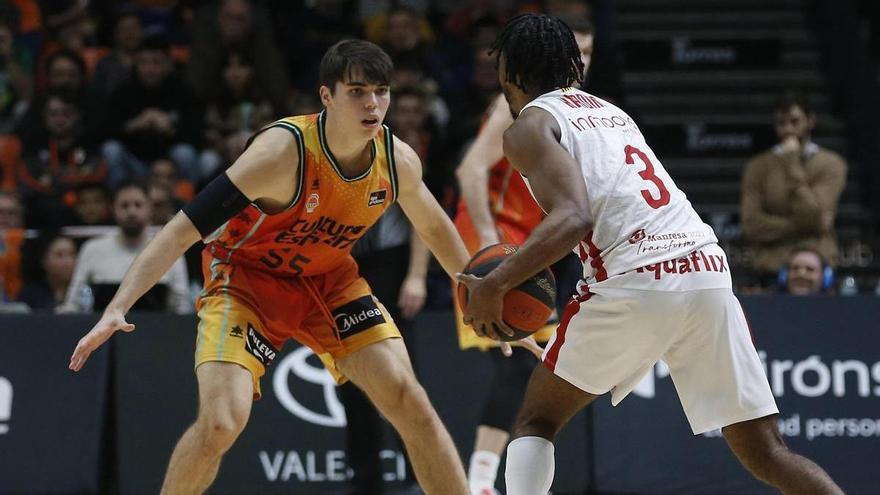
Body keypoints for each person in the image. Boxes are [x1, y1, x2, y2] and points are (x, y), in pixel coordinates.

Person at [457, 14, 844, 495]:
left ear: (510, 75)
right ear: (572, 67)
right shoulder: (612, 112)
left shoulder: (528, 126)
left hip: (636, 277)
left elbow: (572, 217)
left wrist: (495, 284)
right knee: (768, 452)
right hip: (705, 269)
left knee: (537, 419)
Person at [68, 40, 473, 494]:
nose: (372, 103)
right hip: (246, 280)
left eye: (381, 91)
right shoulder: (282, 153)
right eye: (357, 91)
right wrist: (118, 306)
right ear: (327, 96)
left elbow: (437, 230)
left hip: (328, 281)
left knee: (410, 400)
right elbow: (182, 230)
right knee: (222, 423)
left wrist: (482, 304)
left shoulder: (397, 161)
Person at [453, 13, 593, 495]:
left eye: (590, 54)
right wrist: (490, 246)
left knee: (539, 364)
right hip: (503, 247)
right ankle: (480, 482)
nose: (583, 63)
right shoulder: (513, 108)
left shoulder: (582, 110)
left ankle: (499, 479)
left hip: (541, 247)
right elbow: (471, 171)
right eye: (579, 53)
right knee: (517, 363)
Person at [741, 91, 847, 286]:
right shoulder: (757, 167)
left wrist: (791, 163)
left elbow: (812, 213)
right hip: (770, 270)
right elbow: (751, 224)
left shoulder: (832, 164)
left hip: (819, 270)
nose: (788, 129)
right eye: (781, 123)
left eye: (795, 121)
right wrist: (808, 224)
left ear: (811, 121)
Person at [61, 180, 191, 314]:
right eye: (124, 205)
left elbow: (182, 306)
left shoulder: (170, 249)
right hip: (103, 331)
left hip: (158, 331)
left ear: (150, 209)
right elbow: (74, 303)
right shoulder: (92, 249)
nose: (131, 211)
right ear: (113, 209)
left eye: (138, 205)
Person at [19, 233, 77, 311]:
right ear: (44, 260)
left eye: (72, 254)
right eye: (59, 255)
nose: (68, 262)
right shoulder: (30, 295)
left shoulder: (84, 292)